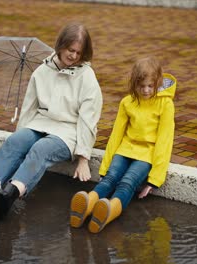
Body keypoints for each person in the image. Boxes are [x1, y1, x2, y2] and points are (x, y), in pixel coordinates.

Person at [0, 22, 103, 220]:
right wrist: (20, 136)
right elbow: (29, 108)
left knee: (40, 149)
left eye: (79, 52)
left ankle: (9, 195)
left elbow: (88, 119)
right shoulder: (42, 72)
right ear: (60, 45)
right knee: (15, 142)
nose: (74, 56)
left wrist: (84, 157)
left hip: (69, 132)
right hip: (40, 123)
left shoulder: (87, 76)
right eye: (70, 50)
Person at [69, 57, 177, 233]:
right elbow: (116, 135)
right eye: (141, 86)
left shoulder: (165, 104)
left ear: (157, 82)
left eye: (150, 86)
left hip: (146, 154)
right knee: (111, 177)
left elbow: (165, 142)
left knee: (127, 183)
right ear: (134, 83)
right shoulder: (127, 102)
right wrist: (104, 168)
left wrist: (155, 180)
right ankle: (88, 203)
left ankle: (110, 210)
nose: (146, 90)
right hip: (125, 149)